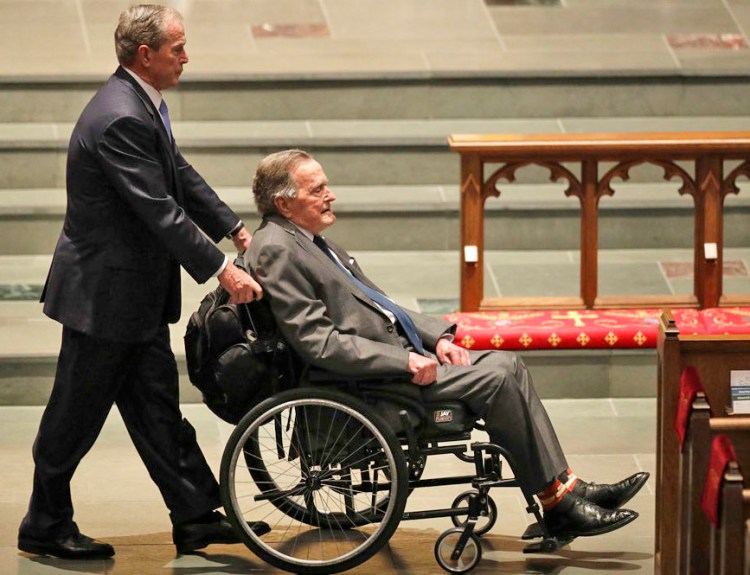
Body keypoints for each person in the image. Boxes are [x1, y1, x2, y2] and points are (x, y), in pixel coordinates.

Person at [245, 149, 650, 540]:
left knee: (508, 365)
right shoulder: (278, 249)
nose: (330, 195)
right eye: (318, 189)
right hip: (367, 382)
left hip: (394, 360)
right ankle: (558, 505)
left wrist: (436, 339)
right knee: (496, 380)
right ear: (284, 203)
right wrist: (403, 360)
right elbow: (319, 343)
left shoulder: (309, 240)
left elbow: (381, 305)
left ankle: (565, 487)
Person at [18, 5, 268, 560]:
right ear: (145, 55)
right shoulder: (120, 117)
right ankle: (44, 525)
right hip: (103, 301)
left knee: (157, 410)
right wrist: (221, 267)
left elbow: (177, 173)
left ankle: (196, 518)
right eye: (177, 48)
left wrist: (233, 228)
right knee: (73, 417)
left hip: (133, 299)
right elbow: (160, 210)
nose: (186, 56)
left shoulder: (139, 103)